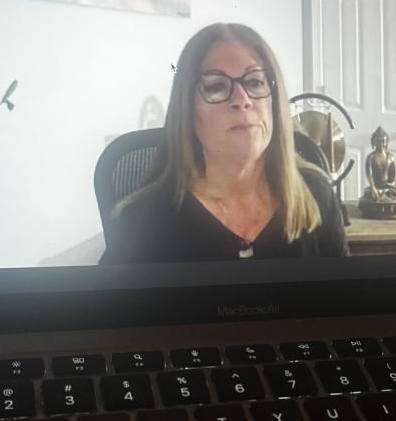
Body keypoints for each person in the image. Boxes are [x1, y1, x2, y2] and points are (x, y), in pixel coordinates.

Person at [100, 22, 348, 263]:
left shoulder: (316, 195)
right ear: (188, 109)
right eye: (217, 86)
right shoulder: (143, 222)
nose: (242, 100)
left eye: (255, 82)